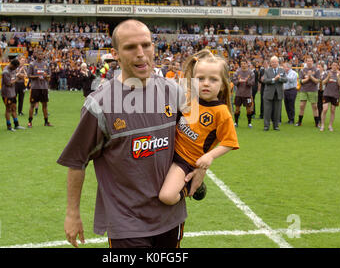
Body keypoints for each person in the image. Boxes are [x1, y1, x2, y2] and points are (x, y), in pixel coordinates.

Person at [57, 19, 203, 248]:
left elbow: (196, 136)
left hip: (171, 216)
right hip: (127, 222)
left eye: (146, 45)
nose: (141, 53)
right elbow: (77, 161)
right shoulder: (100, 105)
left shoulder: (173, 92)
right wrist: (72, 213)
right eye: (130, 47)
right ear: (115, 54)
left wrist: (201, 167)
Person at [159, 49, 239, 206]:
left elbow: (230, 142)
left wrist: (209, 157)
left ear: (224, 85)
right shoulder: (190, 97)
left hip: (185, 161)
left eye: (213, 80)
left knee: (166, 197)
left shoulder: (221, 112)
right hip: (167, 150)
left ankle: (189, 187)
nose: (206, 83)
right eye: (201, 78)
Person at [262, 56, 288, 131]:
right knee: (267, 111)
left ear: (278, 62)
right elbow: (265, 80)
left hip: (278, 93)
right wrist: (274, 79)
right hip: (268, 94)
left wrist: (279, 78)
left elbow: (286, 79)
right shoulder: (267, 70)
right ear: (270, 63)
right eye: (272, 62)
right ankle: (266, 126)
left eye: (275, 62)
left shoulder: (282, 70)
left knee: (277, 111)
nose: (274, 63)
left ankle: (276, 126)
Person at [27, 51, 52, 127]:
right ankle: (30, 122)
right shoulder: (32, 64)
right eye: (39, 54)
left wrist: (46, 76)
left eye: (42, 54)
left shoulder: (46, 64)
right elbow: (28, 75)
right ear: (36, 54)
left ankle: (46, 121)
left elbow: (49, 75)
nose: (40, 55)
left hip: (44, 87)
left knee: (45, 105)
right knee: (32, 105)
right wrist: (37, 76)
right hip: (35, 87)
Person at [296, 57, 320, 127]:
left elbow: (317, 81)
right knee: (302, 106)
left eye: (311, 61)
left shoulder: (316, 70)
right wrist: (308, 78)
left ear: (313, 62)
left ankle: (317, 123)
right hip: (304, 90)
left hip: (313, 90)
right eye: (308, 61)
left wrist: (310, 76)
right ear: (306, 62)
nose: (309, 62)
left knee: (314, 106)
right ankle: (299, 122)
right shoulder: (302, 70)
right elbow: (301, 81)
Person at [2, 58, 25, 131]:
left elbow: (14, 77)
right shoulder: (5, 72)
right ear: (11, 65)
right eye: (15, 67)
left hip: (13, 92)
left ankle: (16, 124)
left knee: (14, 108)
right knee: (8, 109)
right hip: (6, 93)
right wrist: (17, 79)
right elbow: (8, 83)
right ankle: (9, 125)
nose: (15, 69)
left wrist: (19, 76)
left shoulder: (13, 70)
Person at [320, 61, 340, 132]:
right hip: (326, 93)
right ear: (331, 65)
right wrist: (328, 77)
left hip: (335, 95)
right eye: (333, 65)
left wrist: (338, 77)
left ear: (338, 66)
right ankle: (322, 125)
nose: (334, 66)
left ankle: (330, 125)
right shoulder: (327, 73)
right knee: (325, 109)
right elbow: (323, 82)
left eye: (336, 65)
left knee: (333, 110)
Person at [232, 59, 255, 128]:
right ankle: (236, 122)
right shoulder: (237, 72)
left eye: (244, 63)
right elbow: (234, 81)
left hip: (247, 94)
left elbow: (252, 82)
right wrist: (238, 81)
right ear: (240, 64)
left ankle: (249, 123)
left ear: (247, 64)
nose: (243, 65)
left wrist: (247, 81)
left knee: (249, 109)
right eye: (242, 64)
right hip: (239, 94)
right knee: (237, 109)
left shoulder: (251, 73)